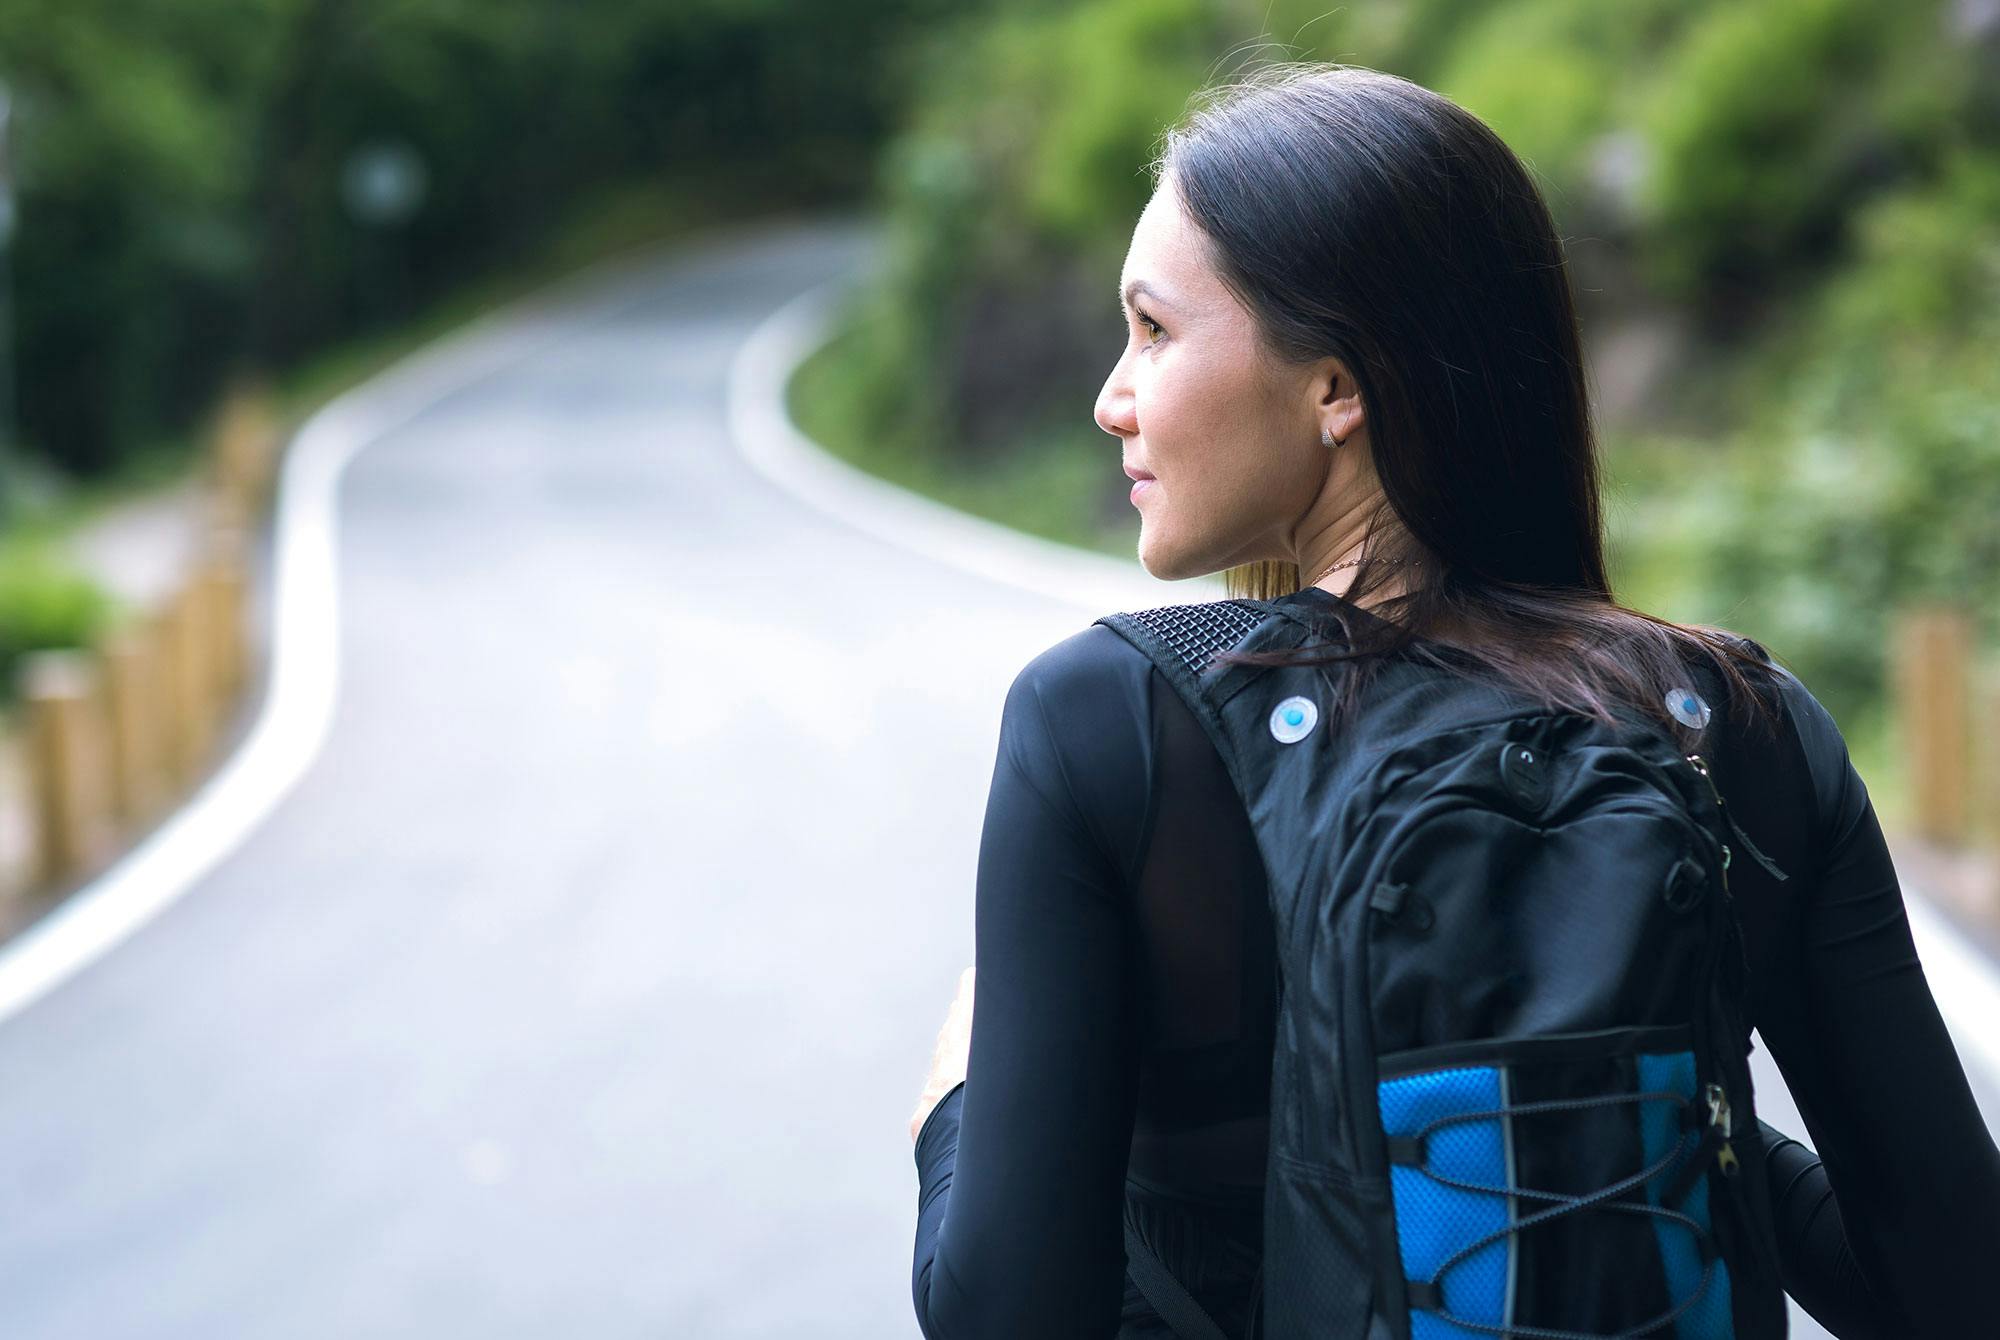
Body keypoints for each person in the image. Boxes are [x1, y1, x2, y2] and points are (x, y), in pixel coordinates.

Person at [906, 62, 2000, 1338]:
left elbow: (1006, 1314)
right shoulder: (1743, 728)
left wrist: (955, 1098)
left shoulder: (1113, 727)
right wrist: (1617, 1084)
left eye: (1150, 329)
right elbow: (1954, 1280)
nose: (1112, 395)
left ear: (1335, 388)